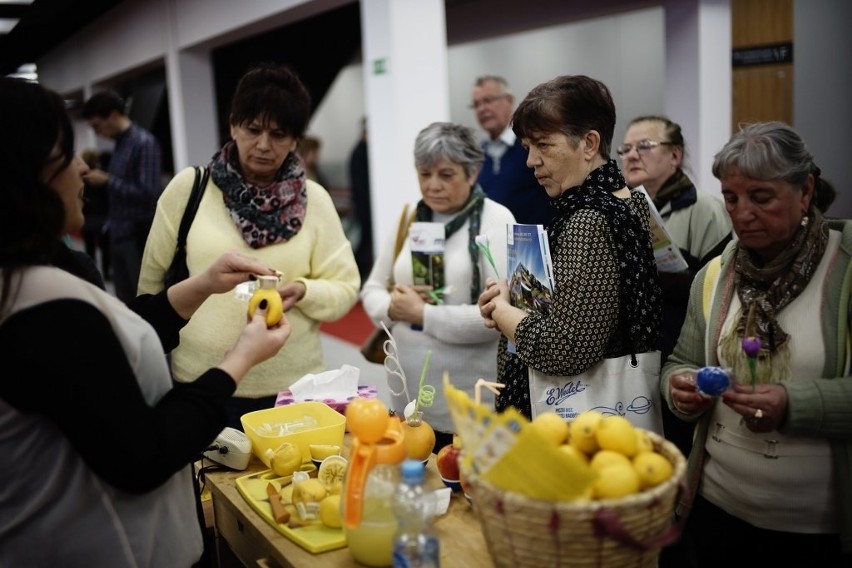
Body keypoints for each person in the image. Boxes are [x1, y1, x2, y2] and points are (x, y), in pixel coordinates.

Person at [0, 77, 291, 567]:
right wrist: (239, 359)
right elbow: (143, 452)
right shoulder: (40, 306)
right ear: (30, 174)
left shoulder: (43, 272)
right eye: (67, 153)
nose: (80, 169)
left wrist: (200, 285)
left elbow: (105, 345)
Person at [662, 121, 851, 566]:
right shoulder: (713, 276)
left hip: (814, 528)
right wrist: (680, 389)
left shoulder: (844, 272)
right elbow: (679, 363)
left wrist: (794, 402)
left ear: (805, 191)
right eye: (731, 197)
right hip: (713, 513)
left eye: (761, 198)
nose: (742, 213)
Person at [138, 62, 360, 430]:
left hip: (293, 390)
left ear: (295, 140)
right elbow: (149, 289)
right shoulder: (190, 189)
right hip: (202, 383)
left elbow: (346, 288)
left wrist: (303, 290)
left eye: (278, 134)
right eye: (252, 129)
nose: (263, 145)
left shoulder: (315, 200)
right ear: (233, 126)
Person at [478, 75, 662, 420]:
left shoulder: (588, 219)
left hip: (580, 420)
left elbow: (565, 349)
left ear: (589, 143)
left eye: (543, 145)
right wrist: (519, 294)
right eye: (526, 148)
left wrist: (502, 310)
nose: (531, 160)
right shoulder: (628, 200)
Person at [360, 121, 516, 451]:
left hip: (471, 399)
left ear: (472, 174)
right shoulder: (409, 217)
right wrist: (391, 307)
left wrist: (424, 314)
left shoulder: (496, 220)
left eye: (446, 175)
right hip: (408, 394)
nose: (433, 186)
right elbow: (372, 288)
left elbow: (502, 317)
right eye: (424, 173)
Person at [619, 116, 733, 458]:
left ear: (675, 155)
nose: (632, 155)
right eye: (625, 149)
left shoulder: (705, 209)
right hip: (633, 358)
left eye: (645, 146)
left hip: (681, 355)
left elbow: (717, 291)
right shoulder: (622, 209)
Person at [82, 90, 163, 303]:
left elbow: (149, 194)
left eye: (97, 126)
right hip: (118, 232)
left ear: (114, 116)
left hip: (137, 235)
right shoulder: (120, 143)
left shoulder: (144, 143)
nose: (97, 133)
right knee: (124, 299)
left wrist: (108, 181)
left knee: (143, 299)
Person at [471, 75, 555, 227]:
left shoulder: (534, 145)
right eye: (476, 104)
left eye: (488, 100)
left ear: (509, 100)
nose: (482, 108)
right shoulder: (477, 155)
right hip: (494, 244)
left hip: (534, 245)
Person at [80, 148, 111, 280]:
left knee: (90, 248)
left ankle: (91, 274)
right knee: (104, 248)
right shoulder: (101, 177)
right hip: (101, 218)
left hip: (88, 219)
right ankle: (105, 272)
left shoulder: (82, 179)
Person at [349, 116, 374, 280]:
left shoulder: (362, 151)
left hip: (364, 205)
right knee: (365, 241)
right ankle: (356, 273)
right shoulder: (360, 152)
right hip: (364, 206)